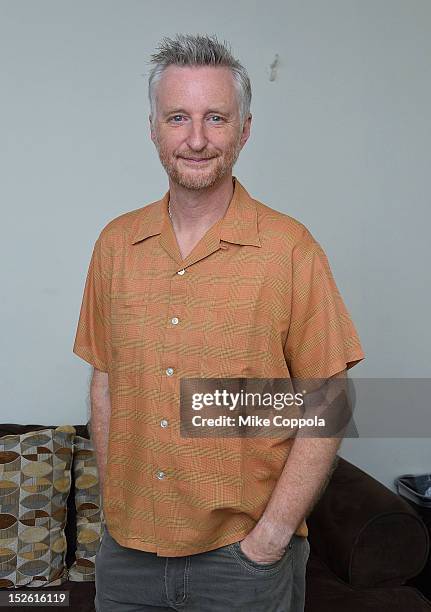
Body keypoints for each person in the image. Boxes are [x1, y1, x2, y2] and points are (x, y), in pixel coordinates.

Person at [73, 33, 365, 612]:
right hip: (126, 557)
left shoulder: (290, 249)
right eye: (178, 117)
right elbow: (104, 379)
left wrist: (270, 538)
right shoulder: (115, 245)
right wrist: (114, 502)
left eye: (216, 118)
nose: (197, 139)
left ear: (245, 129)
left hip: (244, 564)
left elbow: (327, 398)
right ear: (153, 127)